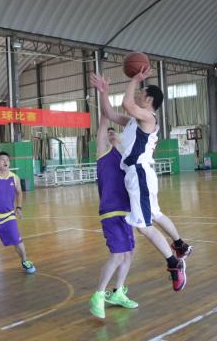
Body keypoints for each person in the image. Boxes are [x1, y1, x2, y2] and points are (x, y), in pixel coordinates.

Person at [91, 69, 191, 292]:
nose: (137, 93)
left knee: (143, 226)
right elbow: (109, 112)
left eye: (141, 91)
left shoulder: (148, 117)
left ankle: (174, 263)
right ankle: (179, 245)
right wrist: (104, 92)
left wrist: (135, 79)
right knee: (154, 214)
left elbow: (126, 103)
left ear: (148, 99)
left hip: (139, 174)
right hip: (139, 174)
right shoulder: (134, 121)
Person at [89, 116, 138, 319]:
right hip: (111, 210)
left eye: (113, 132)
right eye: (108, 133)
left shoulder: (126, 156)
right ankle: (98, 295)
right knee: (117, 255)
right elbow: (102, 128)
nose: (110, 135)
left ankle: (118, 292)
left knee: (129, 253)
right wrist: (105, 113)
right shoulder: (103, 154)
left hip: (127, 211)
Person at [0, 151, 36, 281]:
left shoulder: (14, 177)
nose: (6, 162)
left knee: (18, 241)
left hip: (9, 216)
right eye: (2, 160)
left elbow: (19, 193)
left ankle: (25, 261)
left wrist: (19, 207)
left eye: (7, 160)